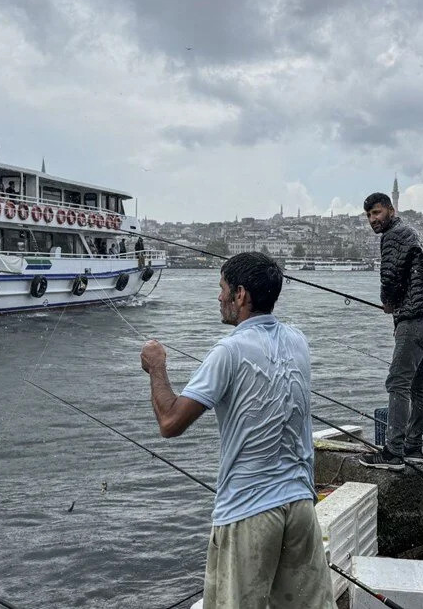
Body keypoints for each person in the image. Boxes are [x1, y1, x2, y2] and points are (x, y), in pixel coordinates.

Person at [139, 252, 335, 609]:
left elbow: (170, 422)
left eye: (222, 288)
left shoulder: (227, 351)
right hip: (301, 506)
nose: (218, 297)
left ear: (241, 295)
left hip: (249, 512)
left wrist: (157, 367)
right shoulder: (298, 341)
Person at [360, 192, 423, 471]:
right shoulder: (413, 232)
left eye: (377, 213)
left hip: (415, 320)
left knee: (398, 383)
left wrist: (389, 303)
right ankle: (413, 448)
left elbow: (391, 275)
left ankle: (393, 452)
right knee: (418, 385)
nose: (373, 220)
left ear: (390, 210)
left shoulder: (394, 236)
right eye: (369, 216)